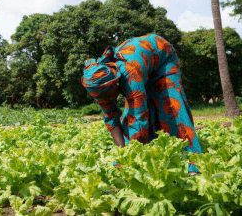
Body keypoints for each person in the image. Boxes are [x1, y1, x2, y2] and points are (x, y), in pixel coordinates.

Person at [81, 34, 202, 174]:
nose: (105, 100)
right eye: (100, 98)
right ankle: (156, 152)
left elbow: (138, 117)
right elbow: (110, 118)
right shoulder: (97, 85)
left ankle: (192, 159)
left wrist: (133, 156)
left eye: (107, 96)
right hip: (143, 62)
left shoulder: (130, 73)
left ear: (115, 84)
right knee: (136, 120)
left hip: (162, 56)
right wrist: (123, 153)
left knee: (171, 107)